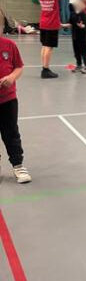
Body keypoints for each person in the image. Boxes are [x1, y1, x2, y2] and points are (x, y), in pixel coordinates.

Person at [0, 11, 31, 184]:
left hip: (8, 100)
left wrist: (11, 77)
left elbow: (18, 67)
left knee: (11, 132)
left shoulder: (9, 45)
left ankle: (18, 165)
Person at [39, 0, 71, 79]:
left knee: (44, 46)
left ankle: (44, 67)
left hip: (43, 24)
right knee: (49, 47)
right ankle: (45, 70)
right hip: (51, 25)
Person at [69, 0, 86, 74]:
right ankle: (79, 65)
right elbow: (71, 23)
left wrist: (82, 26)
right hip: (74, 36)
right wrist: (62, 25)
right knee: (76, 52)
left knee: (83, 52)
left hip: (82, 36)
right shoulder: (72, 14)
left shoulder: (83, 14)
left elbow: (85, 24)